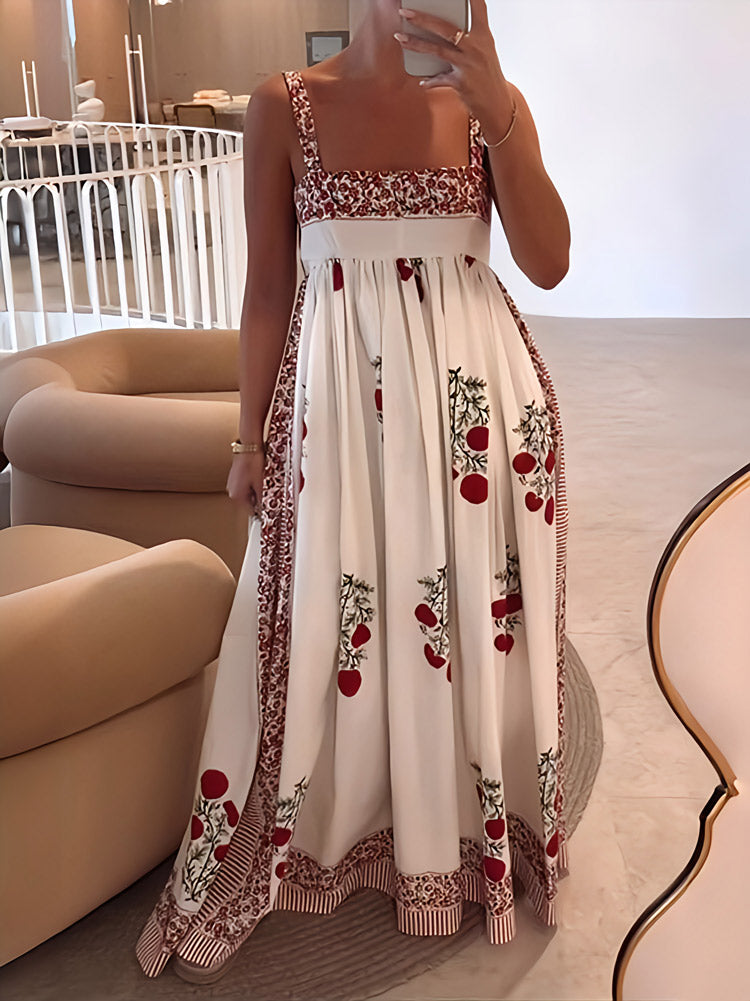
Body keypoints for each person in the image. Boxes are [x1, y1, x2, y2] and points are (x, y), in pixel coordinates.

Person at [135, 0, 571, 983]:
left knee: (464, 629)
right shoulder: (284, 105)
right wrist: (248, 435)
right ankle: (342, 821)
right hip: (338, 417)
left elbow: (549, 263)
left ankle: (458, 829)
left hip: (474, 424)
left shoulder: (491, 105)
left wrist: (500, 114)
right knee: (334, 624)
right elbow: (266, 292)